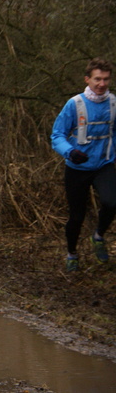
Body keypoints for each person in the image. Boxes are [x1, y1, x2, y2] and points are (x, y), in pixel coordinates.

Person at [51, 58, 116, 272]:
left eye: (106, 79)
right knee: (76, 216)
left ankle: (98, 236)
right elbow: (57, 135)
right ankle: (72, 254)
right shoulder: (75, 104)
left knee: (111, 202)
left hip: (103, 165)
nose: (102, 84)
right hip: (77, 168)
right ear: (87, 79)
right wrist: (69, 151)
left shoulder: (113, 103)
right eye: (97, 79)